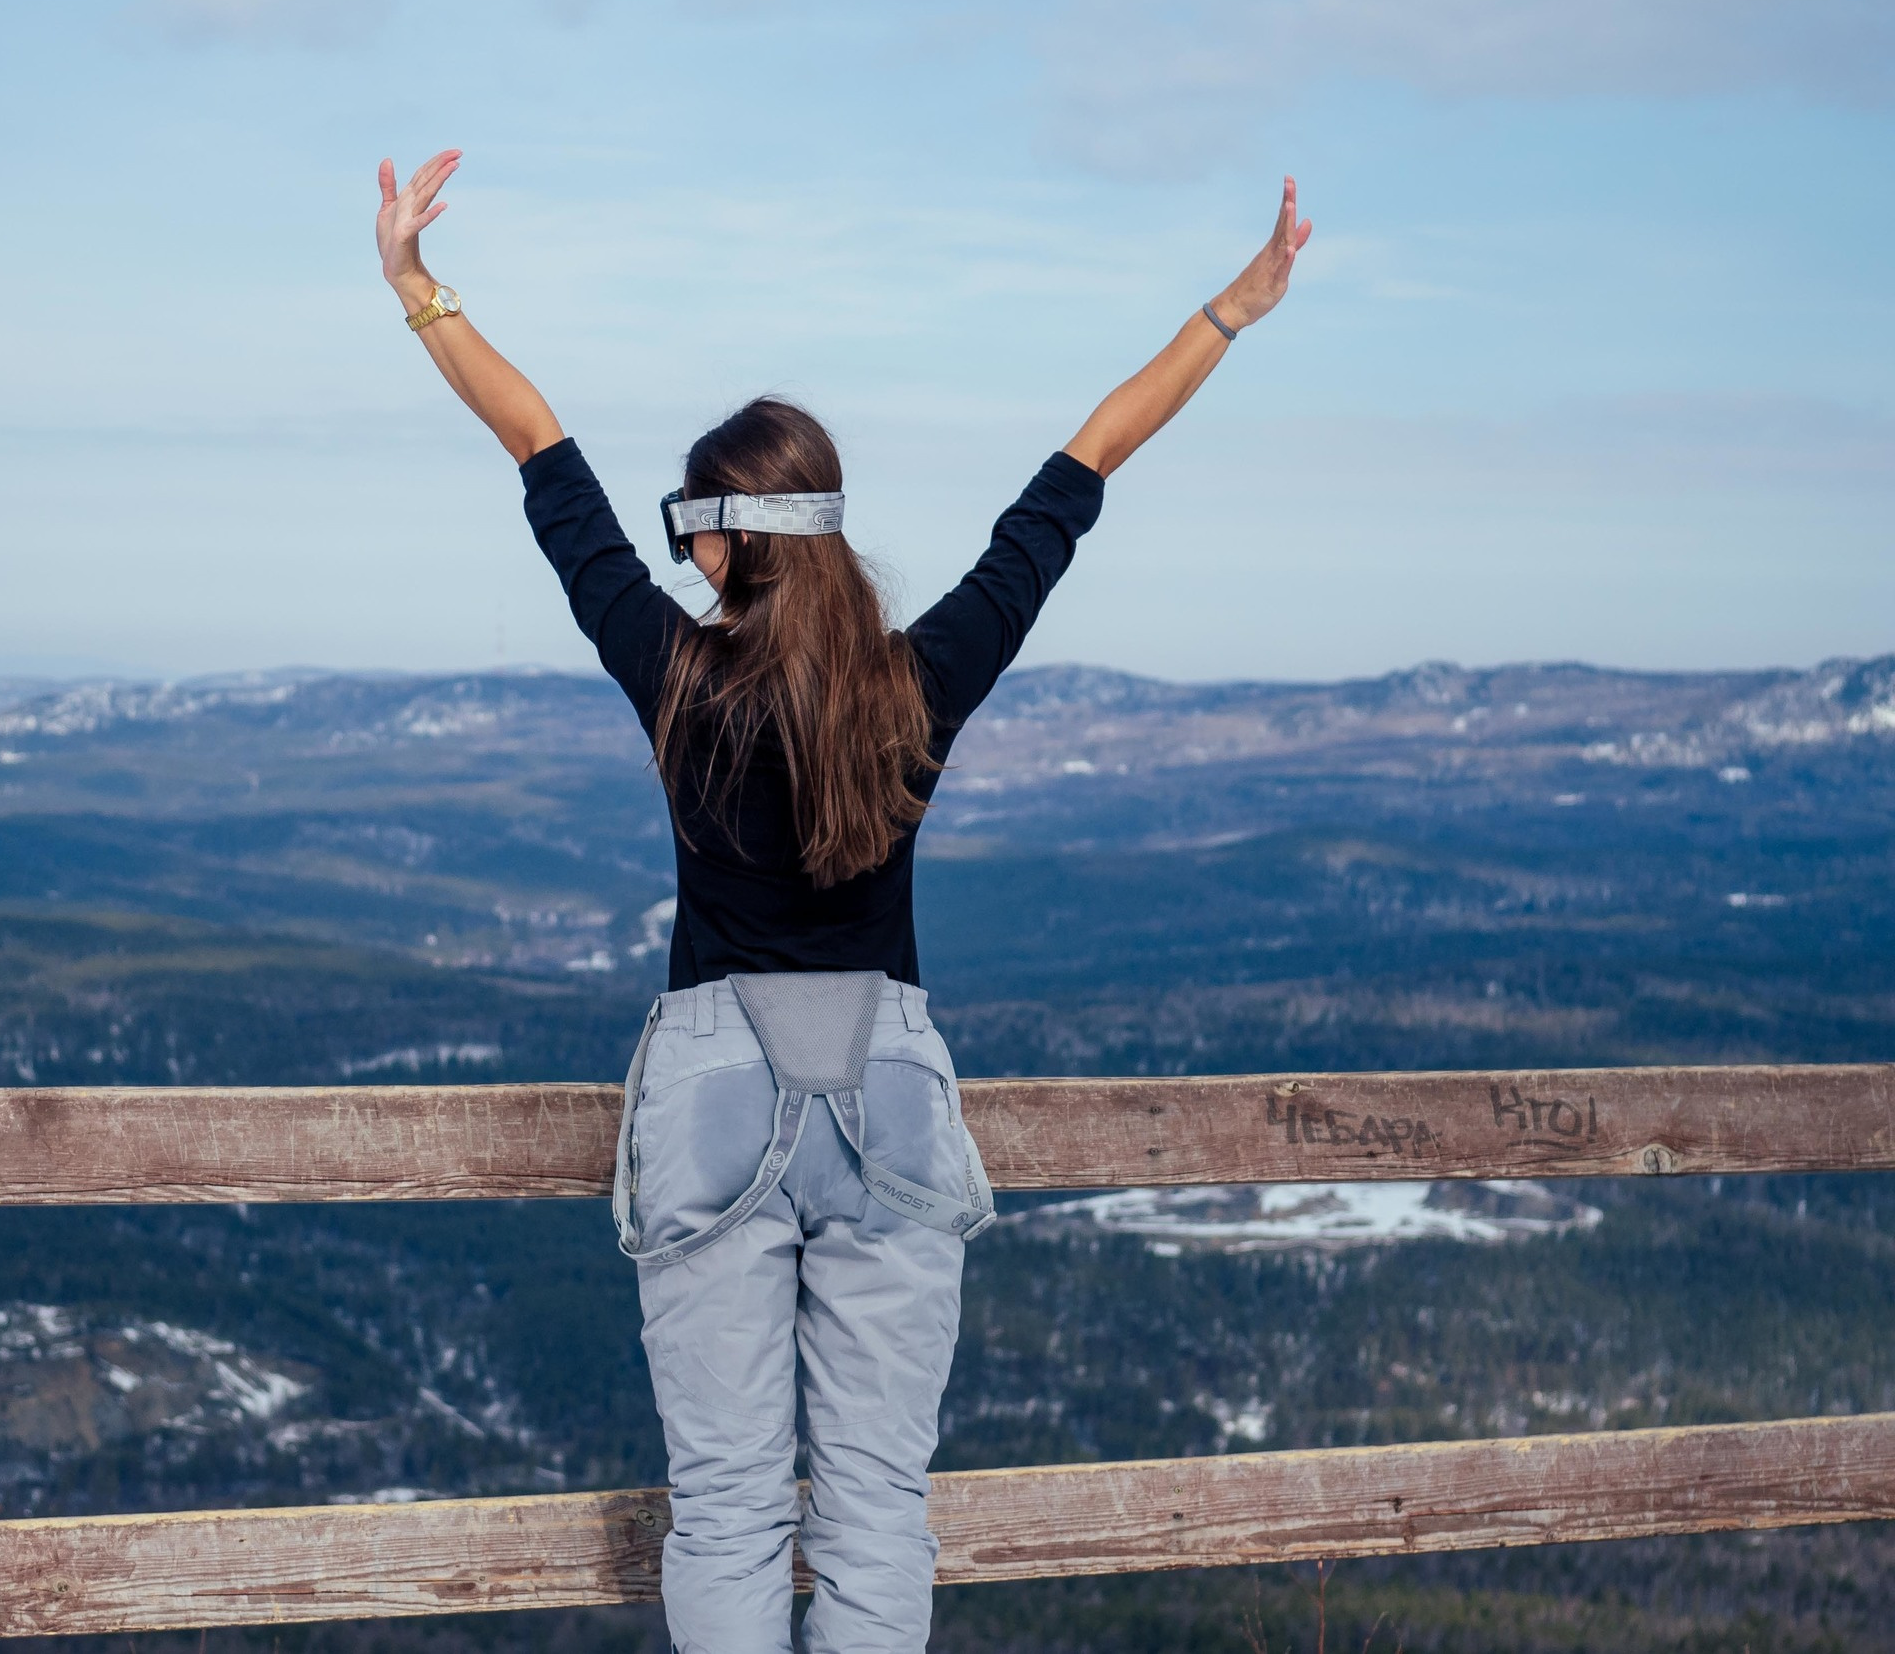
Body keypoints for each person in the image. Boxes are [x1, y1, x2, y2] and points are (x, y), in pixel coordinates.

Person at [374, 149, 1309, 1654]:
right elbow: (1072, 481)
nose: (680, 551)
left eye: (694, 525)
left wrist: (417, 289)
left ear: (732, 537)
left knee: (733, 1500)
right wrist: (1233, 311)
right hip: (889, 1087)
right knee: (877, 1495)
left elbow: (540, 451)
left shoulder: (674, 677)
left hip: (709, 1093)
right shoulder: (915, 686)